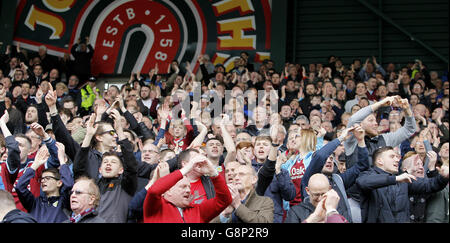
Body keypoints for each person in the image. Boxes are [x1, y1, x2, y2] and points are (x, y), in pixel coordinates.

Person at [73, 111, 138, 223]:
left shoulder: (125, 186)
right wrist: (88, 135)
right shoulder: (94, 185)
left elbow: (131, 165)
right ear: (100, 169)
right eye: (105, 162)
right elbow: (78, 169)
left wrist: (119, 131)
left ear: (121, 170)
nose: (108, 164)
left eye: (113, 162)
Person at [356, 146, 449, 223]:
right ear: (380, 161)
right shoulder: (367, 175)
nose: (397, 160)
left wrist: (442, 177)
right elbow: (363, 182)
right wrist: (395, 179)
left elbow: (430, 185)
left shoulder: (403, 180)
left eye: (397, 157)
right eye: (392, 157)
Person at [143, 150, 232, 223]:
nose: (188, 190)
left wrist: (213, 173)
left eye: (189, 187)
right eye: (183, 186)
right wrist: (187, 168)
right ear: (168, 190)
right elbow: (154, 191)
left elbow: (225, 200)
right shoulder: (156, 207)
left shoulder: (198, 211)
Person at [15, 145, 73, 223]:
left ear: (59, 183)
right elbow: (20, 187)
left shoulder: (65, 201)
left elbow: (69, 184)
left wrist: (62, 161)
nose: (43, 181)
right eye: (42, 178)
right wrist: (35, 165)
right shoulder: (34, 203)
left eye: (48, 178)